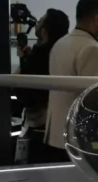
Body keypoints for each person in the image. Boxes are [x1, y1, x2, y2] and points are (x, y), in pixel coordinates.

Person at [44, 0, 98, 163]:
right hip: (79, 138)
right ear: (96, 18)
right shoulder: (90, 49)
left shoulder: (61, 44)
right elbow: (96, 96)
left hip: (55, 134)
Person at [16, 9, 70, 164]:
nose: (36, 24)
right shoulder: (63, 52)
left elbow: (25, 90)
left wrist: (24, 65)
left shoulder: (40, 55)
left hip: (41, 123)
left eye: (39, 21)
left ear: (44, 31)